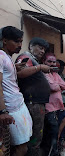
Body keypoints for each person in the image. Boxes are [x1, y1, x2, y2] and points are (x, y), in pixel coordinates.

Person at [16, 37, 51, 155]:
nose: (42, 51)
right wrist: (40, 67)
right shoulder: (25, 57)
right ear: (31, 46)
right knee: (35, 135)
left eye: (44, 50)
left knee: (37, 134)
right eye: (40, 48)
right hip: (33, 103)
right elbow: (20, 73)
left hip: (37, 103)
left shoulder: (33, 60)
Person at [0, 26, 32, 156]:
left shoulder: (6, 57)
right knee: (20, 148)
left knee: (19, 146)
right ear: (5, 41)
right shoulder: (0, 57)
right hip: (11, 109)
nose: (20, 45)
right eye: (16, 41)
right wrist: (2, 111)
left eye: (21, 41)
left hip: (18, 105)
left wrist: (15, 67)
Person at [41, 53, 65, 155]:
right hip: (49, 108)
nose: (52, 64)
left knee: (54, 132)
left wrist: (58, 85)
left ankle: (53, 152)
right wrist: (58, 85)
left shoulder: (55, 74)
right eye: (49, 61)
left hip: (57, 107)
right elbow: (53, 87)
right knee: (51, 132)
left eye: (53, 62)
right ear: (44, 62)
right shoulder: (44, 73)